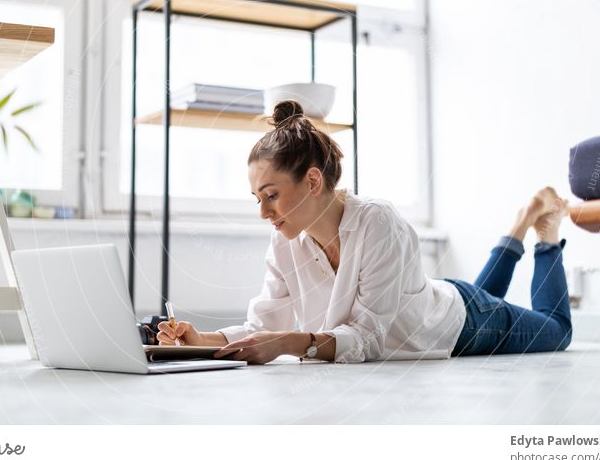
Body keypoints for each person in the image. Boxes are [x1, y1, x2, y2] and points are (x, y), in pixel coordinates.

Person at [157, 100, 573, 364]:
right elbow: (263, 325)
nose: (264, 212)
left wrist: (291, 343)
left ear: (313, 182)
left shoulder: (378, 223)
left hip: (457, 326)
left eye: (271, 195)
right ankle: (520, 221)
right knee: (489, 296)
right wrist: (203, 339)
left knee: (556, 333)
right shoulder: (285, 240)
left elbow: (369, 340)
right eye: (257, 198)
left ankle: (545, 231)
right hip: (423, 299)